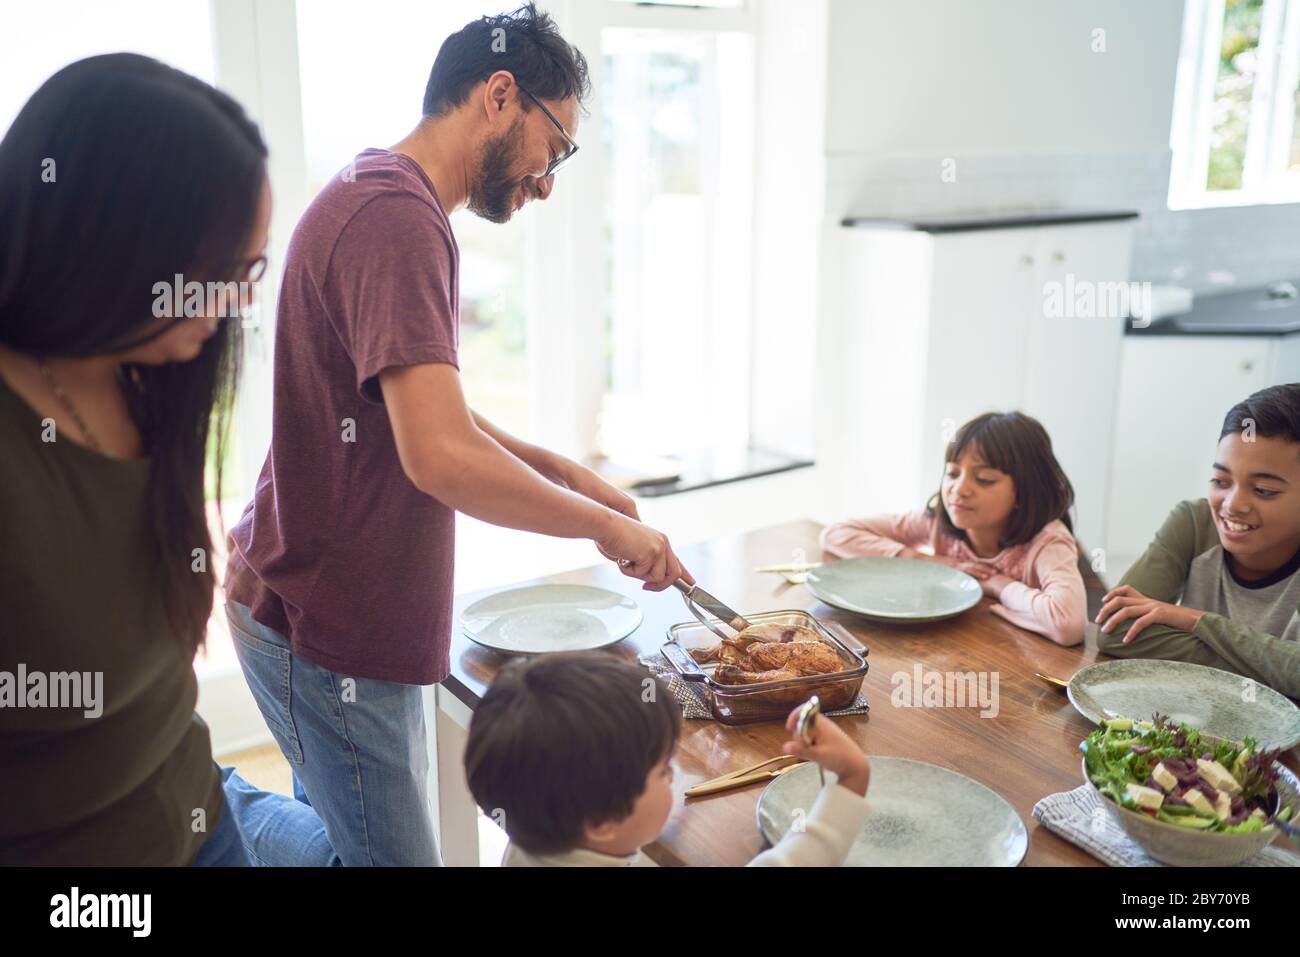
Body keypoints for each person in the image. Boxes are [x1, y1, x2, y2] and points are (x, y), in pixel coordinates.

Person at [222, 3, 691, 866]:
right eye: (558, 146)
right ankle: (218, 804)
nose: (549, 180)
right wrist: (608, 528)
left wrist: (570, 477)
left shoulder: (387, 198)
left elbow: (435, 414)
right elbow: (437, 457)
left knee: (345, 836)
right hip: (321, 624)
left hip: (317, 605)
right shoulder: (396, 219)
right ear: (501, 94)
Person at [0, 53, 329, 865]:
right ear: (110, 243)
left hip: (195, 810)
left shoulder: (153, 380)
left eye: (251, 269)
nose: (237, 305)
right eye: (223, 272)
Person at [464, 652, 871, 866]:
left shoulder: (531, 838)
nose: (675, 773)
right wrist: (852, 778)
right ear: (602, 822)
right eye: (661, 770)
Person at [1095, 385, 1300, 697]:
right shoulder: (1194, 522)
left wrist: (1198, 621)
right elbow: (1117, 630)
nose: (1232, 504)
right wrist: (1273, 668)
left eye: (1263, 490)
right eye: (1221, 481)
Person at [820, 411, 1086, 646]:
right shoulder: (939, 522)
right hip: (951, 650)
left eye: (984, 479)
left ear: (1024, 491)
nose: (959, 490)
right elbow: (836, 534)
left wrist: (998, 584)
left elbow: (1068, 626)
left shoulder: (1048, 542)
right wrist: (930, 561)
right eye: (952, 473)